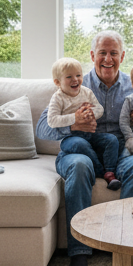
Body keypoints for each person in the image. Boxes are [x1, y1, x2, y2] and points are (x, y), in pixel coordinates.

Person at [36, 31, 133, 266]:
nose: (108, 59)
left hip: (118, 148)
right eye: (103, 52)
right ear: (93, 55)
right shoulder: (73, 82)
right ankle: (79, 252)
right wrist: (73, 125)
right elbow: (42, 128)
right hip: (77, 147)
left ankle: (128, 246)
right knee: (80, 166)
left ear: (122, 56)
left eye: (114, 53)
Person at [46, 57, 122, 191]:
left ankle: (110, 172)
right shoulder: (58, 98)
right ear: (57, 82)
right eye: (69, 77)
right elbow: (52, 120)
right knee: (79, 144)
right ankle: (101, 171)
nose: (75, 79)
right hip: (71, 138)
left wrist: (90, 112)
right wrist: (75, 118)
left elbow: (100, 109)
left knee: (112, 140)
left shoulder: (86, 92)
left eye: (78, 75)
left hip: (91, 134)